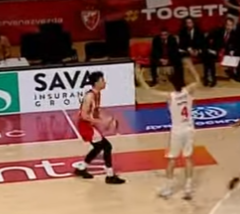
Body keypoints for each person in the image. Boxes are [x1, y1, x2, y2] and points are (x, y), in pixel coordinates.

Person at [135, 62, 200, 199]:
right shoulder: (189, 90)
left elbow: (148, 90)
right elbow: (198, 81)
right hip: (189, 128)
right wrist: (191, 68)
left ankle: (168, 188)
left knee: (172, 160)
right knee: (188, 157)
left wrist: (139, 77)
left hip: (177, 130)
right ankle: (188, 188)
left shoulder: (171, 96)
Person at [73, 71, 126, 184]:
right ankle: (110, 176)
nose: (105, 82)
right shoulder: (89, 96)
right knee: (107, 146)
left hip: (90, 125)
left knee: (98, 148)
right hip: (86, 126)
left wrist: (107, 119)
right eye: (102, 80)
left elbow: (96, 111)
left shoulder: (97, 94)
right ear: (96, 83)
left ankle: (81, 168)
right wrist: (101, 122)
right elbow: (84, 115)